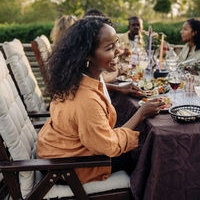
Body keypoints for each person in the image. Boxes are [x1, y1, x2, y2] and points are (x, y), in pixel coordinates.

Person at [37, 16, 163, 184]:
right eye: (110, 47)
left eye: (116, 43)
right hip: (65, 167)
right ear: (87, 55)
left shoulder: (73, 79)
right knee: (146, 154)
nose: (118, 50)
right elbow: (109, 147)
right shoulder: (86, 100)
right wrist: (141, 114)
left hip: (58, 149)